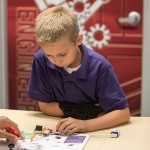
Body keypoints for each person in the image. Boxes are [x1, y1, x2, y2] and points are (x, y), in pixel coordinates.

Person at [27, 6, 130, 136]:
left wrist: (84, 124)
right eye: (49, 55)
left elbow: (122, 113)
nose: (56, 61)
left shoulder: (100, 67)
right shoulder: (41, 59)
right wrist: (94, 112)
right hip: (59, 127)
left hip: (93, 132)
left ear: (78, 40)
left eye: (62, 54)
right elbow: (45, 107)